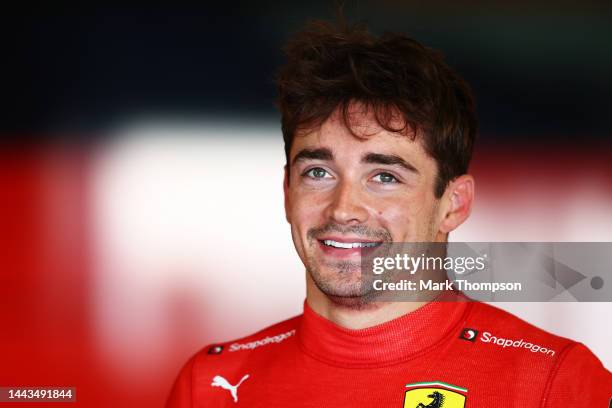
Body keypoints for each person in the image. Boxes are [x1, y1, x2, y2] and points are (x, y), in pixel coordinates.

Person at [167, 19, 611, 407]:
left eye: (384, 177)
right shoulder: (208, 386)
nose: (343, 208)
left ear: (453, 205)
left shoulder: (557, 382)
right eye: (318, 172)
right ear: (287, 192)